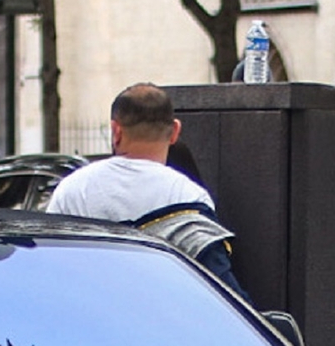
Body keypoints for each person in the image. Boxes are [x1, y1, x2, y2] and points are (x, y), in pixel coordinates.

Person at [45, 83, 248, 296]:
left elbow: (49, 275)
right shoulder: (191, 197)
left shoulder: (73, 189)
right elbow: (219, 289)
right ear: (175, 131)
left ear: (115, 131)